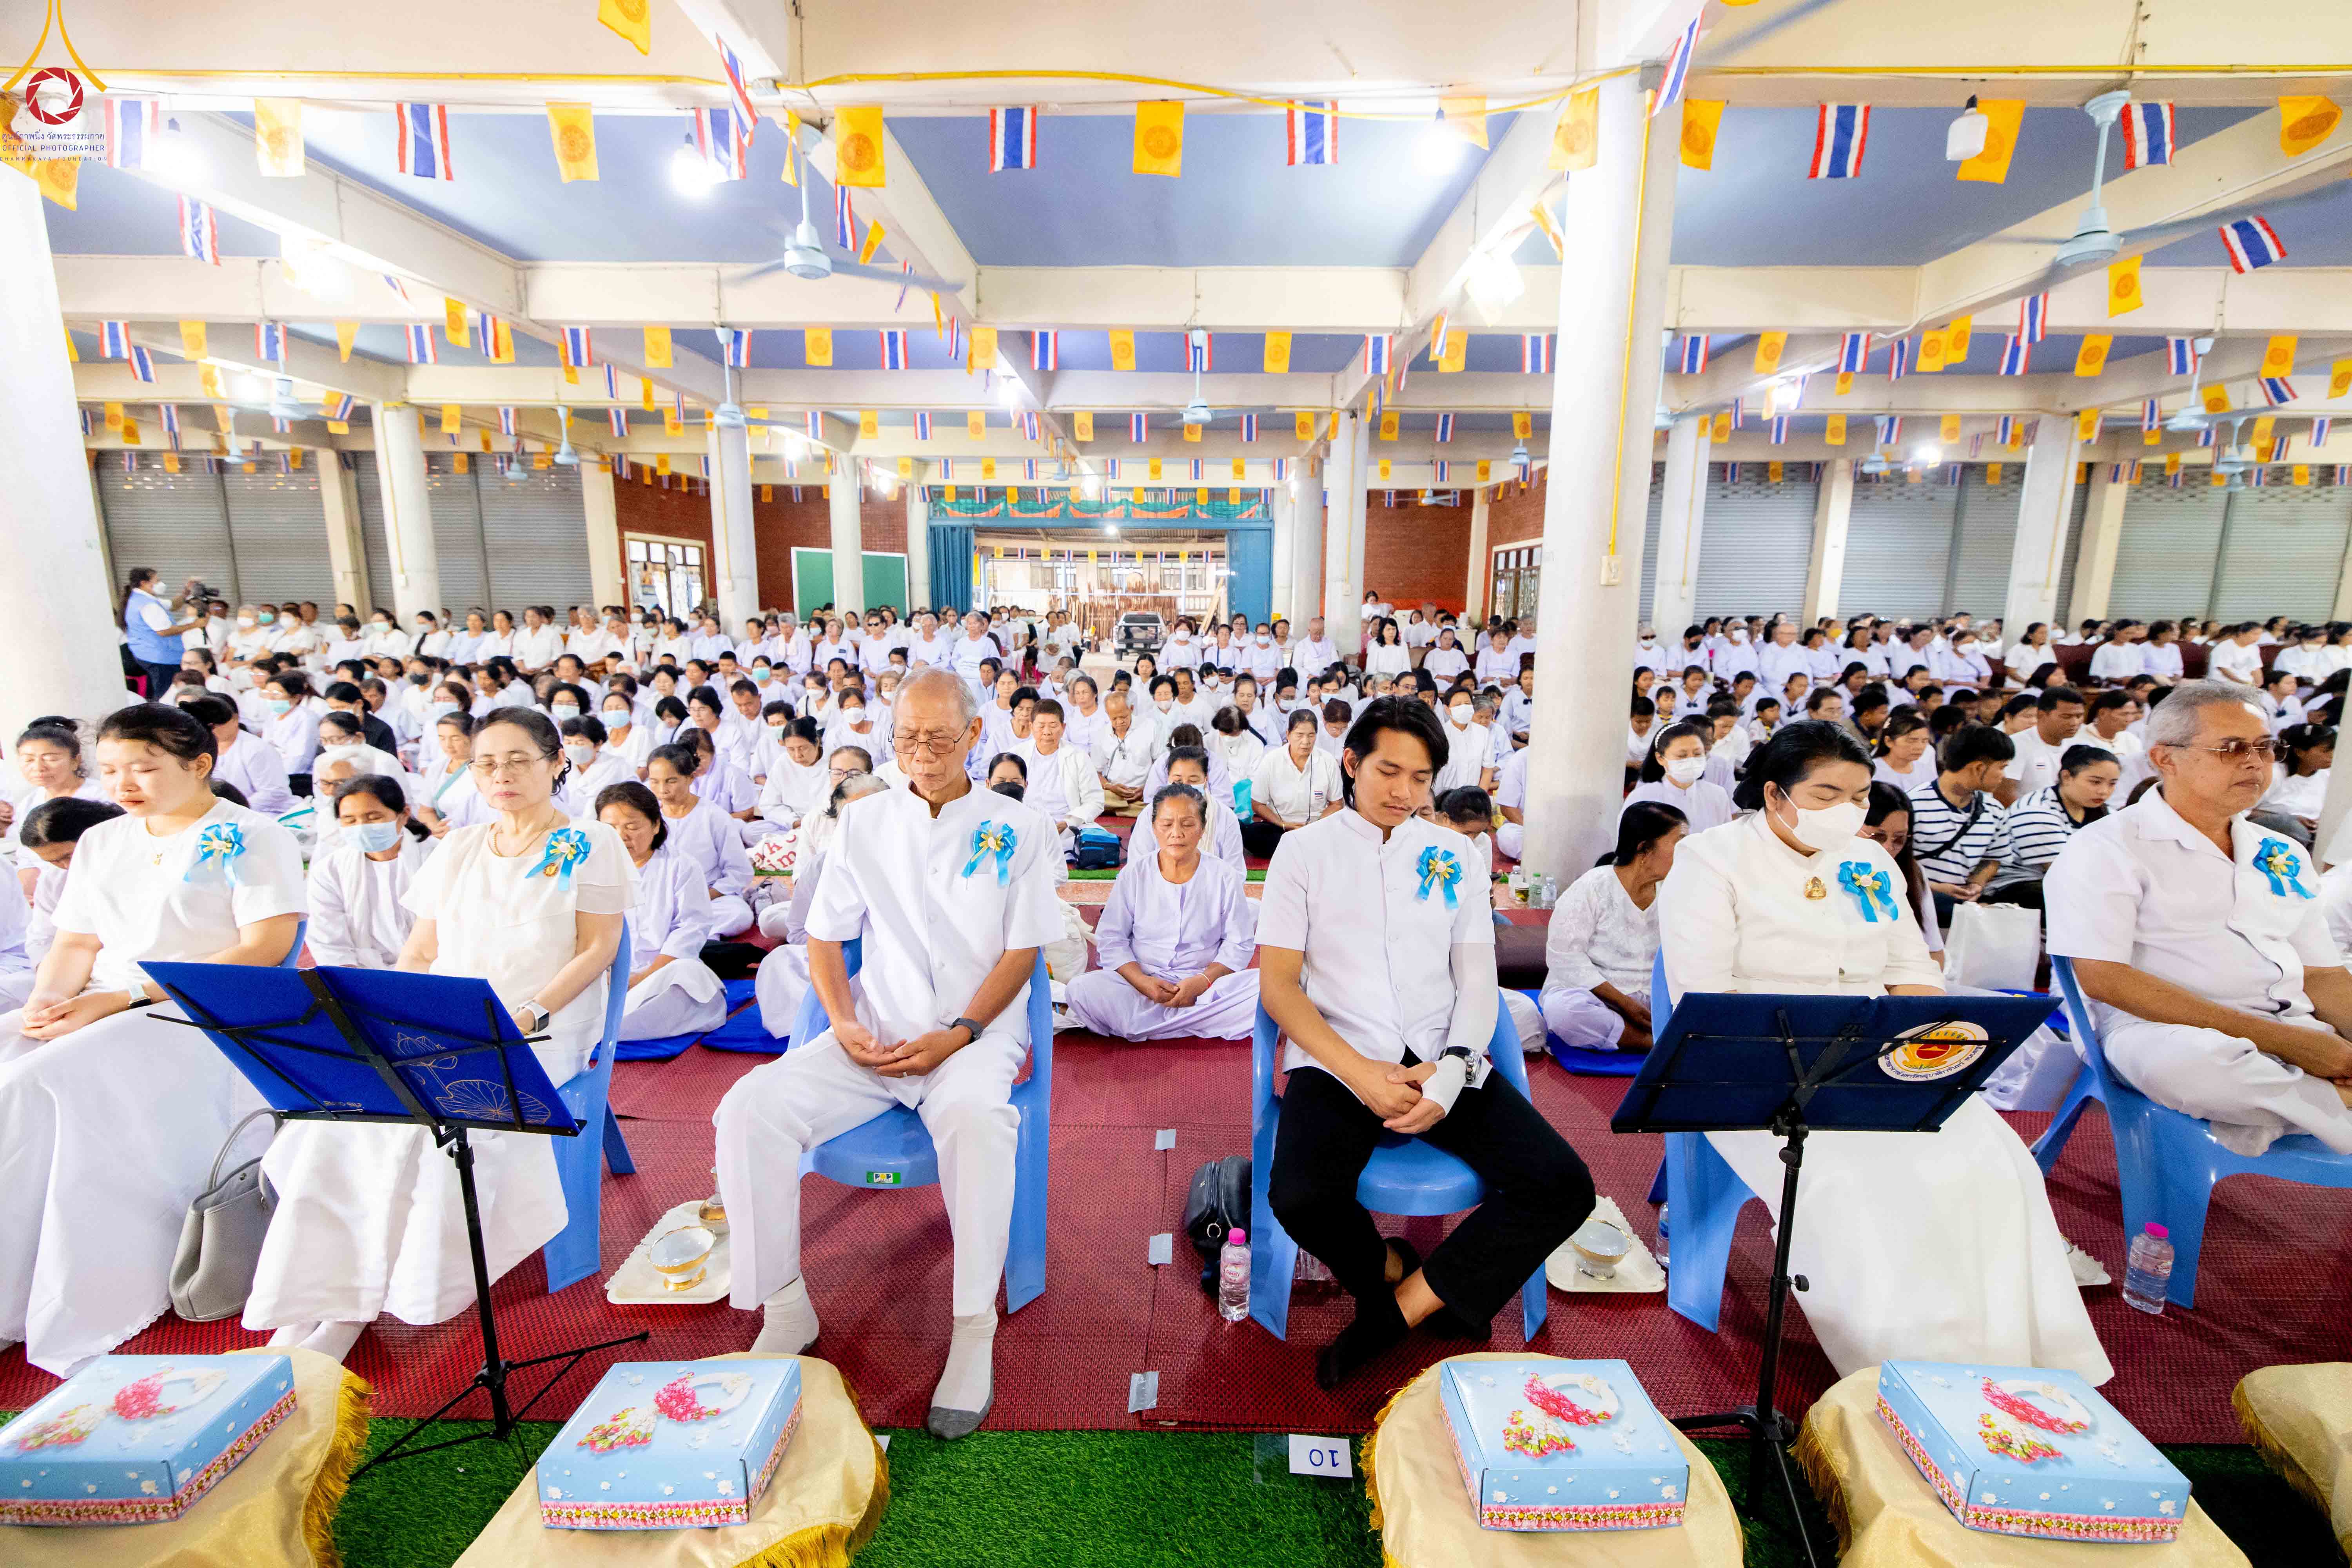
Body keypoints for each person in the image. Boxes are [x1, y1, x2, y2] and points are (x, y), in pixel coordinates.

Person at [1658, 720, 2110, 1382]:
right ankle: (1901, 1370)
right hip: (1758, 1071)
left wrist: (1923, 1053)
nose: (1846, 811)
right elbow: (1708, 997)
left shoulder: (1869, 862)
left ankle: (2013, 1363)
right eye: (1826, 795)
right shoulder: (1711, 860)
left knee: (1997, 1162)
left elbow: (1911, 970)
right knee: (1856, 1181)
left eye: (1859, 796)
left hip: (1879, 1061)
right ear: (1775, 794)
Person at [714, 667, 1060, 1439]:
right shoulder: (863, 822)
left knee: (976, 1120)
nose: (922, 754)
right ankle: (785, 1303)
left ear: (975, 734)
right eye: (907, 738)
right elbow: (826, 937)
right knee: (748, 1107)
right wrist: (843, 1023)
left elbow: (1023, 953)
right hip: (878, 1030)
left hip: (972, 1036)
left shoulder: (1019, 827)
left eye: (939, 738)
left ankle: (973, 1327)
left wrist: (960, 1032)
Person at [1260, 697, 1595, 1387]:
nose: (1403, 792)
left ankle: (1398, 1312)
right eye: (1388, 771)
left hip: (1443, 1051)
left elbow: (1476, 981)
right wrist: (1362, 1075)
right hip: (1341, 1054)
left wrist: (1450, 1074)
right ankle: (1391, 1268)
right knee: (1299, 1196)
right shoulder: (1303, 852)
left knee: (1563, 1187)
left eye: (1420, 778)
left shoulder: (1456, 855)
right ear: (1351, 763)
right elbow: (1281, 988)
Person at [0, 703, 305, 1373]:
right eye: (111, 770)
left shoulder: (252, 836)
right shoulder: (105, 840)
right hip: (103, 997)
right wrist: (48, 1000)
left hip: (201, 1009)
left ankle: (46, 1291)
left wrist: (125, 996)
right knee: (11, 1056)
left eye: (143, 767)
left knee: (29, 1086)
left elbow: (265, 947)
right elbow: (76, 942)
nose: (123, 784)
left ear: (199, 765)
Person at [2047, 680, 2352, 1157]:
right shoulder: (2106, 848)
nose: (2255, 762)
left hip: (2292, 1026)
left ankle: (2285, 1110)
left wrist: (2316, 1041)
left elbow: (2322, 975)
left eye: (2264, 747)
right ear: (2165, 758)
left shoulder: (2284, 851)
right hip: (2160, 1032)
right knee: (2201, 1069)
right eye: (2232, 749)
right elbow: (2105, 979)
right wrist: (2291, 1045)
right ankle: (2330, 1102)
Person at [1065, 785, 1260, 1042]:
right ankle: (1194, 1022)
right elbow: (1112, 939)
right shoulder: (1134, 874)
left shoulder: (1224, 876)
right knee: (1081, 990)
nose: (1176, 833)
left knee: (1266, 989)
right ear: (1154, 828)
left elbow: (1239, 944)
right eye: (1167, 824)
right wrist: (1143, 983)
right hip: (1142, 983)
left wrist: (1202, 981)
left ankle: (1144, 1025)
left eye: (1187, 824)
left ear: (1202, 829)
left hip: (1206, 985)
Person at [1541, 802, 1686, 1052]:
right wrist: (1625, 1004)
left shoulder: (1676, 890)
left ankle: (1650, 1036)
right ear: (1645, 849)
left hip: (1656, 999)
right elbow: (1564, 958)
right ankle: (1654, 1043)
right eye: (1679, 843)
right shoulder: (1593, 887)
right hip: (1598, 997)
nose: (1686, 851)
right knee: (1563, 1012)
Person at [597, 782, 726, 1042]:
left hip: (660, 975)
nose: (622, 836)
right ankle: (604, 1026)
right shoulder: (591, 868)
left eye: (632, 827)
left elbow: (690, 931)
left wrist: (641, 979)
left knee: (687, 975)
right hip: (603, 978)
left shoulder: (682, 866)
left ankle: (603, 1029)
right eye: (611, 828)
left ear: (656, 825)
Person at [305, 774, 434, 966]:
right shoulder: (329, 872)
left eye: (374, 818)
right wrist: (354, 980)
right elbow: (329, 945)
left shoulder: (437, 858)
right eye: (350, 821)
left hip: (436, 970)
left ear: (404, 814)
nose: (361, 828)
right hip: (364, 974)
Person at [1987, 745, 2121, 908]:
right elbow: (2061, 872)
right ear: (2067, 777)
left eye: (2112, 784)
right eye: (2095, 782)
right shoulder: (2037, 810)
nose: (2104, 791)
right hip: (2017, 887)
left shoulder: (2105, 812)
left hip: (2069, 883)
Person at [1907, 724, 2014, 927]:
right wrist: (1934, 888)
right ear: (1979, 768)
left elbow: (1993, 859)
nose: (2003, 776)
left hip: (1963, 903)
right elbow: (1895, 860)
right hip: (1918, 899)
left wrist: (1977, 884)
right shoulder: (1913, 805)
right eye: (2002, 767)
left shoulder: (1994, 810)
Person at [646, 743, 756, 937]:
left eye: (671, 781)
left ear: (691, 778)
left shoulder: (714, 816)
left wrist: (702, 896)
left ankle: (685, 935)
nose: (662, 790)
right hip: (657, 899)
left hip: (706, 897)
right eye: (655, 782)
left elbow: (739, 871)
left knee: (739, 914)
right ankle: (693, 935)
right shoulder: (647, 817)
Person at [1244, 708, 1343, 860]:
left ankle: (1295, 851)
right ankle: (1306, 851)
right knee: (1252, 835)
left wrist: (1316, 825)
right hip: (1281, 828)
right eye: (1300, 735)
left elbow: (1337, 804)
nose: (1306, 742)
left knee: (1343, 833)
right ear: (1288, 735)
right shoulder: (1271, 761)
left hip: (1317, 828)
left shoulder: (1327, 761)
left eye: (1311, 735)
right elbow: (1258, 804)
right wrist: (1283, 824)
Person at [1014, 700, 1104, 853]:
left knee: (1097, 843)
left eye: (1053, 725)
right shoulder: (1017, 756)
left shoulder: (1079, 757)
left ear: (1063, 728)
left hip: (1066, 827)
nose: (1047, 732)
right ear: (1031, 727)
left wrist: (1068, 822)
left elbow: (1095, 801)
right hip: (1027, 824)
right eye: (1041, 726)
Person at [1622, 720, 1734, 834]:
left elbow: (1725, 837)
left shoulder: (1717, 795)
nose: (1691, 761)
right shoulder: (1642, 797)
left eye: (1697, 754)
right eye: (1682, 756)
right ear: (1660, 758)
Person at [1995, 686, 2086, 805]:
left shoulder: (2080, 744)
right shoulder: (2016, 744)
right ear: (2042, 715)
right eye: (2066, 717)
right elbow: (2003, 793)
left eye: (2079, 716)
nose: (2075, 723)